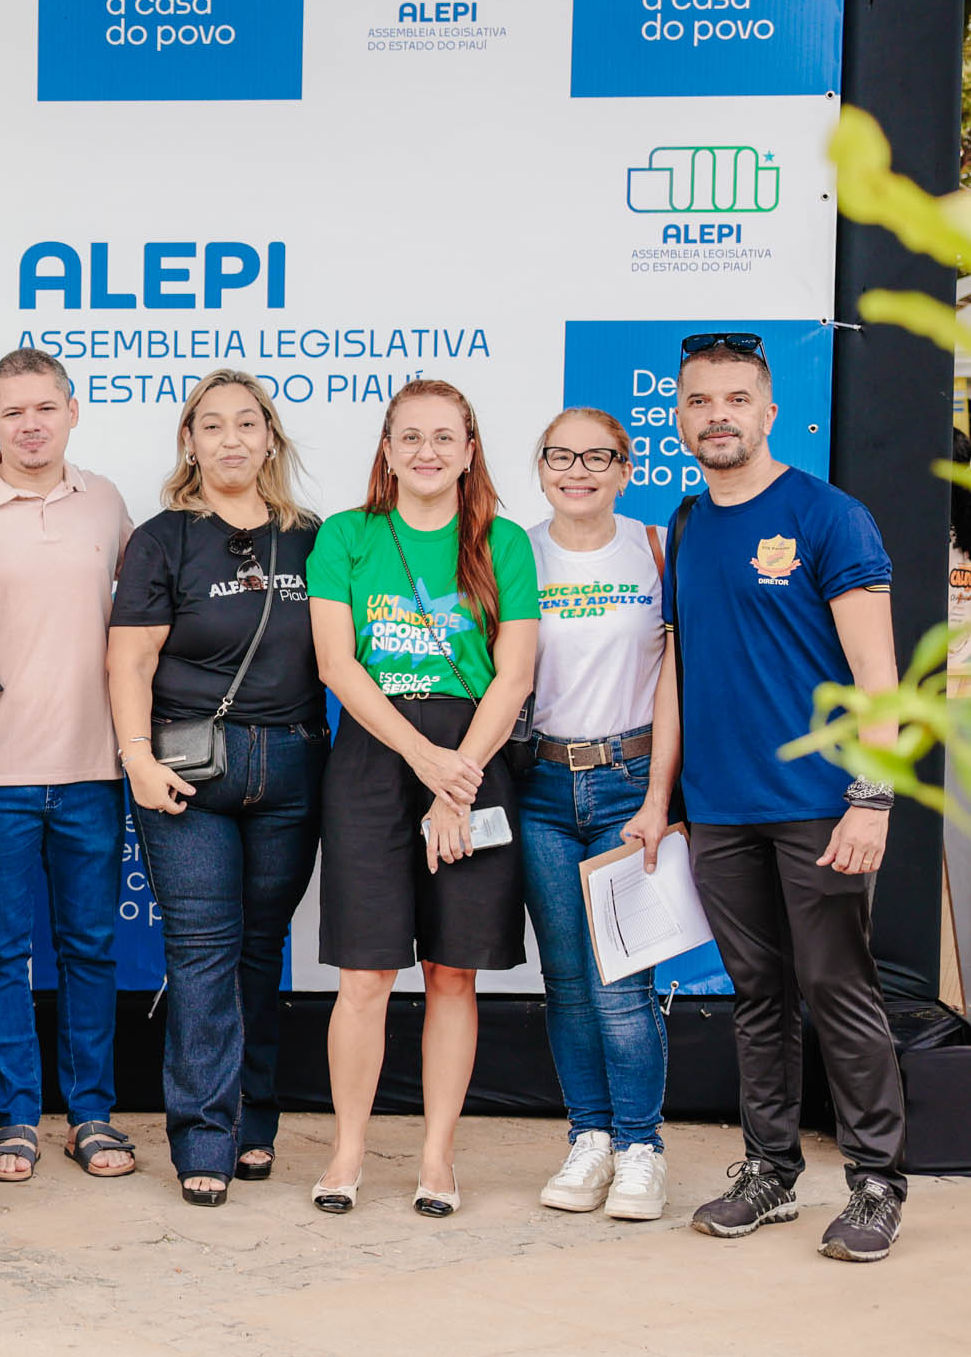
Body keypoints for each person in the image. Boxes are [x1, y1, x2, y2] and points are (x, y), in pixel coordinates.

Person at [665, 333, 910, 1261]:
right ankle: (769, 1170)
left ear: (770, 412)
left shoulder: (827, 515)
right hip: (720, 809)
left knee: (838, 990)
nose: (717, 414)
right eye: (700, 400)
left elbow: (877, 673)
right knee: (757, 995)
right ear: (679, 415)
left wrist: (872, 796)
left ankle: (878, 1183)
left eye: (735, 399)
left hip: (821, 803)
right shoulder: (688, 523)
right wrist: (665, 798)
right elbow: (681, 669)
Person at [307, 379, 537, 1218]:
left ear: (471, 450)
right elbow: (338, 666)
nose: (428, 451)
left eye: (445, 437)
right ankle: (347, 1150)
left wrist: (458, 776)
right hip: (374, 760)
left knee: (451, 973)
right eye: (411, 437)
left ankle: (438, 1157)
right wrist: (424, 761)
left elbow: (515, 675)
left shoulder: (503, 542)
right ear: (388, 449)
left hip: (476, 755)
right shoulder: (347, 537)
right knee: (364, 975)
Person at [106, 371, 324, 1207]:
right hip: (188, 770)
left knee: (260, 952)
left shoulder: (313, 538)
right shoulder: (164, 539)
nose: (230, 439)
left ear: (270, 437)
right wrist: (136, 757)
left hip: (296, 765)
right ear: (189, 442)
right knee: (202, 953)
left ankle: (253, 1119)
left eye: (246, 424)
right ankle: (203, 1136)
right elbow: (128, 658)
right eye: (212, 426)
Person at [0, 348, 134, 1183]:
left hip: (93, 768)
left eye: (46, 407)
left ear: (73, 410)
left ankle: (92, 1114)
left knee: (90, 948)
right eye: (13, 411)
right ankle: (15, 1118)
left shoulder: (108, 501)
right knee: (2, 953)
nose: (31, 424)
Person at [516, 408, 678, 1222]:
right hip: (540, 787)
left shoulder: (655, 547)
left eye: (596, 457)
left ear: (625, 466)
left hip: (628, 780)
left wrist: (657, 798)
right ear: (539, 466)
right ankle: (591, 1137)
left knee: (624, 980)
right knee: (567, 980)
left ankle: (642, 1145)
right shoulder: (514, 553)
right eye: (560, 456)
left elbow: (674, 679)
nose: (576, 470)